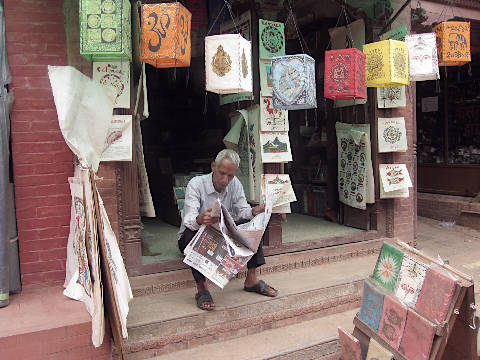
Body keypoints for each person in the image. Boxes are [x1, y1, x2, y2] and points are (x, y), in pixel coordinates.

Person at [178, 149, 278, 311]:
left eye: (230, 176)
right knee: (191, 233)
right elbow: (189, 220)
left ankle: (251, 279)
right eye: (222, 173)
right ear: (213, 167)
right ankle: (202, 288)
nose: (225, 180)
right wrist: (200, 219)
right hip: (195, 236)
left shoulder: (235, 184)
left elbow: (243, 211)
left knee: (252, 223)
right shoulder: (196, 184)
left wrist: (256, 210)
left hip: (221, 236)